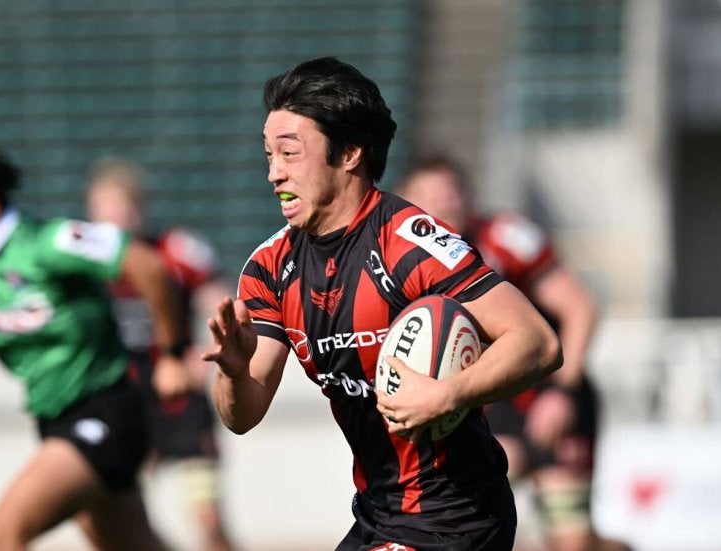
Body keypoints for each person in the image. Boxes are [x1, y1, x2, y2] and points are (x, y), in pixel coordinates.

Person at [203, 56, 563, 551]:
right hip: (378, 514)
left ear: (349, 152)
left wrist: (447, 395)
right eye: (269, 155)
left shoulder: (410, 244)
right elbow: (241, 416)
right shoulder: (270, 268)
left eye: (290, 153)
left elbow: (538, 343)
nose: (274, 174)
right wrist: (232, 370)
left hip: (457, 516)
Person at [0, 137, 191, 551]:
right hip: (52, 419)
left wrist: (172, 354)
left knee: (5, 530)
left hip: (107, 411)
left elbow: (147, 265)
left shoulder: (46, 244)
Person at [397, 153, 631, 551]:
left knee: (571, 541)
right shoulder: (402, 262)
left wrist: (562, 392)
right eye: (432, 195)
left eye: (453, 191)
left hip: (549, 393)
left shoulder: (506, 237)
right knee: (466, 518)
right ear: (408, 203)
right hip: (487, 405)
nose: (446, 202)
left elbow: (580, 307)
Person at [86, 157, 236, 551]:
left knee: (209, 520)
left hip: (179, 405)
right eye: (105, 208)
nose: (115, 217)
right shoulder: (84, 268)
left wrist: (203, 358)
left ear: (140, 208)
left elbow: (223, 311)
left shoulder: (177, 251)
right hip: (124, 407)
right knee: (111, 522)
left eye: (123, 206)